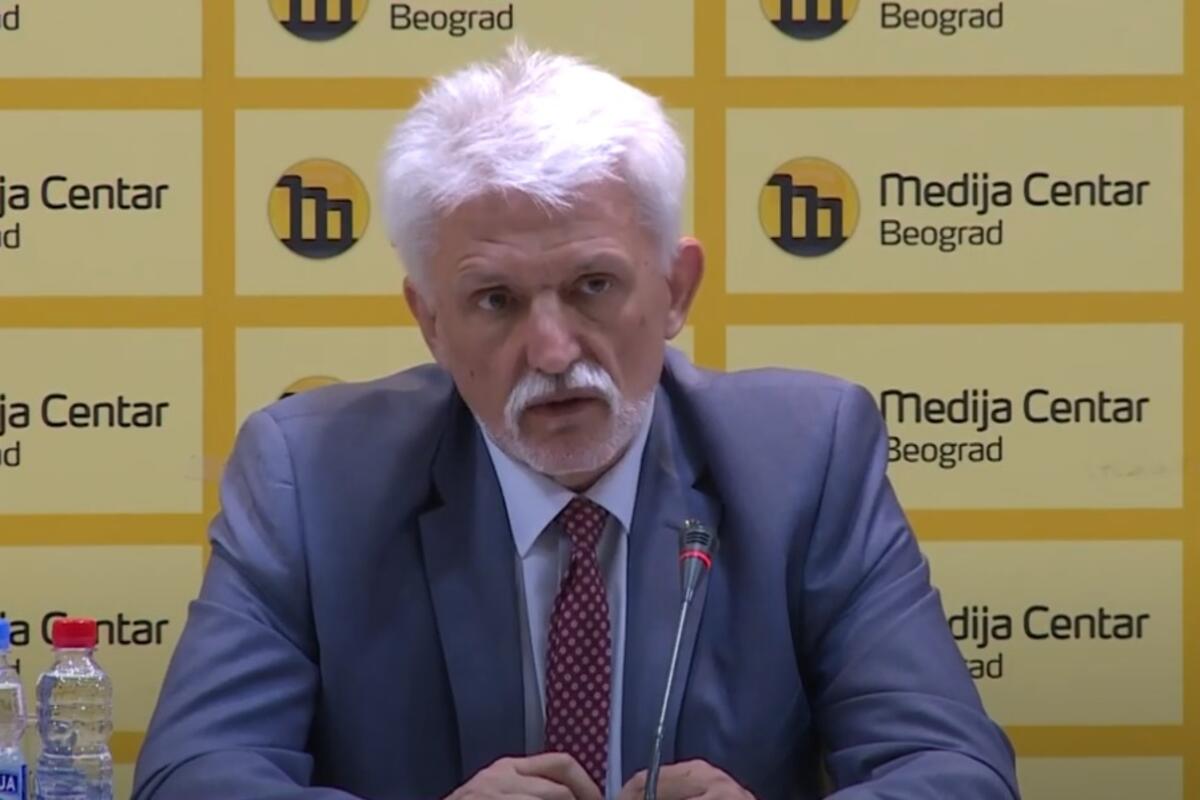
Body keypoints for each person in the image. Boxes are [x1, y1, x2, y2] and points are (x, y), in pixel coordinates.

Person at [133, 41, 1019, 800]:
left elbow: (954, 771)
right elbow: (193, 776)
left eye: (593, 285)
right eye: (495, 300)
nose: (553, 351)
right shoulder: (309, 477)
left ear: (675, 289)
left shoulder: (805, 460)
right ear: (431, 321)